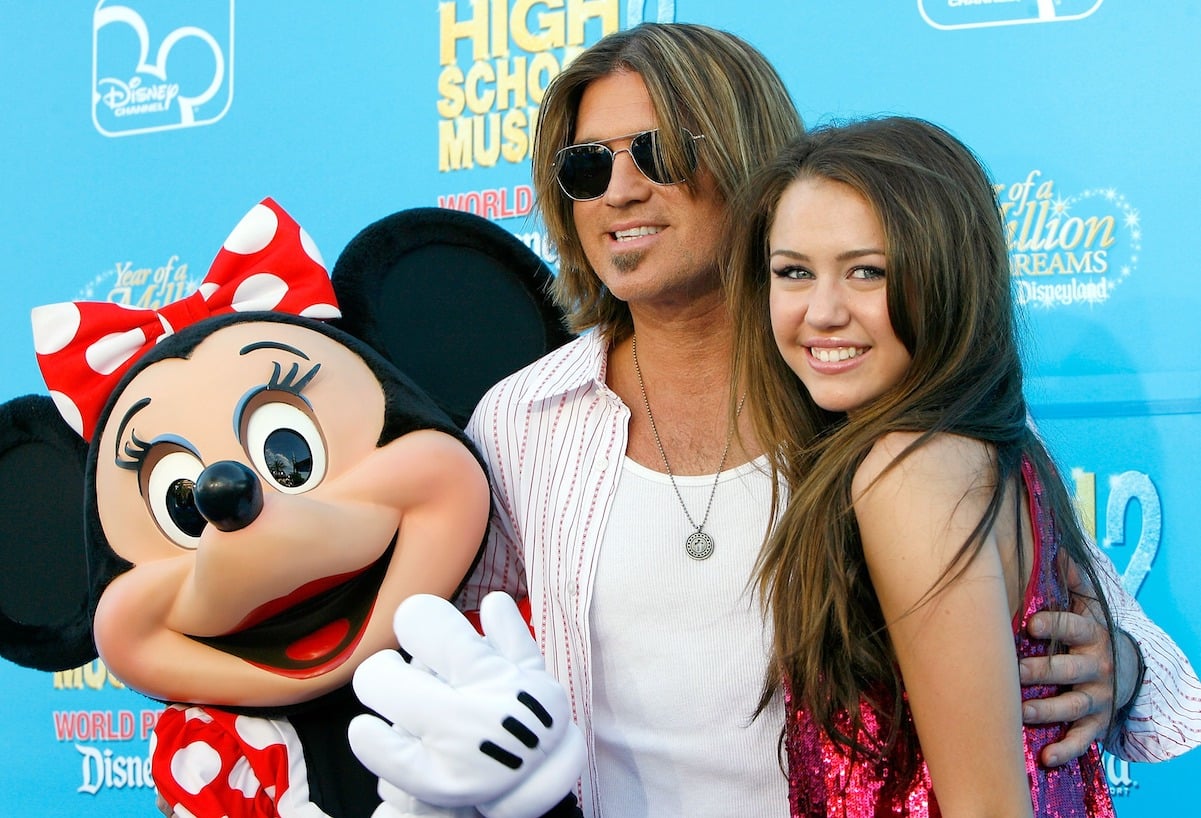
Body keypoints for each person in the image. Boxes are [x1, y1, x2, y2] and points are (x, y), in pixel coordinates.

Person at [457, 22, 1201, 817]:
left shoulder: (888, 399)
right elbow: (456, 653)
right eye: (586, 165)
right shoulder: (523, 419)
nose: (619, 190)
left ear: (748, 161)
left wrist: (1118, 669)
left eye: (658, 152)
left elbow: (1147, 669)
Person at [724, 115, 1127, 815]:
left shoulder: (908, 470)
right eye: (793, 272)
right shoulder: (990, 453)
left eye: (866, 272)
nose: (821, 311)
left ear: (948, 277)